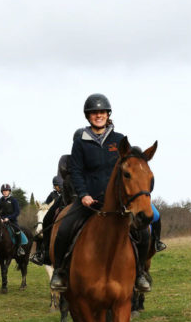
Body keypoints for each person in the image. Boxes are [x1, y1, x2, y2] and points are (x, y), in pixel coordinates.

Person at [49, 93, 154, 292]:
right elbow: (77, 171)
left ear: (108, 114)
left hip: (118, 200)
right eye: (94, 113)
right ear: (88, 116)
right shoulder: (81, 141)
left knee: (143, 230)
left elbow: (130, 168)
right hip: (90, 198)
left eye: (102, 112)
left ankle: (140, 272)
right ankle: (60, 272)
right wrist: (83, 194)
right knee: (65, 227)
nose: (99, 115)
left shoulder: (120, 140)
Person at [29, 175, 66, 266]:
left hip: (63, 216)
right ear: (54, 186)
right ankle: (39, 254)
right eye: (57, 186)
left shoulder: (67, 193)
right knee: (41, 231)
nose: (58, 187)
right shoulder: (52, 195)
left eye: (59, 185)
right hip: (53, 217)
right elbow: (46, 204)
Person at [0, 183, 25, 257]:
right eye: (4, 191)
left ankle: (19, 248)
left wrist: (9, 218)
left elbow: (17, 212)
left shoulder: (13, 200)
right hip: (1, 221)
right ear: (2, 192)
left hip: (12, 221)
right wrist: (0, 219)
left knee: (17, 230)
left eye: (6, 191)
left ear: (9, 191)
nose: (5, 192)